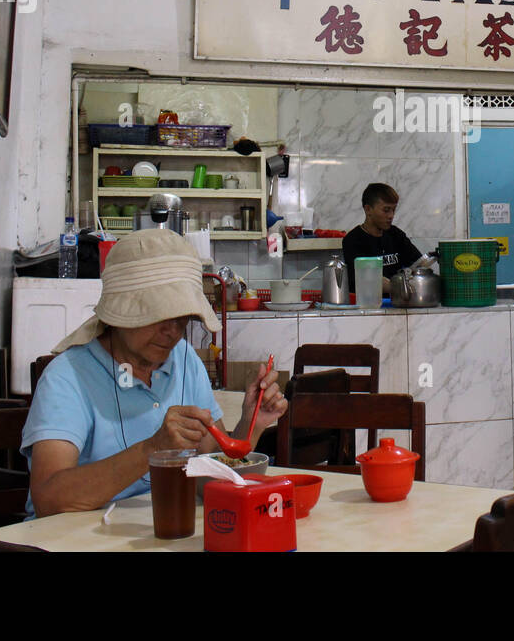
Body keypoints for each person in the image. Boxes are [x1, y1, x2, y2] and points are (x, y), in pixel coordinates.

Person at [21, 229, 286, 518]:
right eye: (157, 316)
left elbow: (213, 469)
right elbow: (48, 499)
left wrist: (252, 423)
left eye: (182, 317)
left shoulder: (185, 359)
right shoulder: (67, 377)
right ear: (118, 313)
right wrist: (153, 449)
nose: (172, 331)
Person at [342, 183, 422, 296]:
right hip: (367, 306)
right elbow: (365, 280)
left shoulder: (396, 234)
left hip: (396, 303)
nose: (391, 215)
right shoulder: (353, 240)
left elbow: (418, 264)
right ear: (368, 209)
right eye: (386, 210)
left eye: (393, 210)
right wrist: (398, 287)